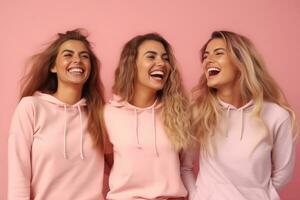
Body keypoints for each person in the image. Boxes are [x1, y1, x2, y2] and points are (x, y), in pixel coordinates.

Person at [181, 30, 297, 200]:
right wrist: (196, 196)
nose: (208, 61)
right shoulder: (199, 112)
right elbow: (185, 167)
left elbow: (283, 174)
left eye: (219, 53)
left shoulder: (277, 115)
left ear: (241, 61)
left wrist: (263, 195)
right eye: (205, 56)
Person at [8, 29, 107, 200]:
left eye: (84, 56)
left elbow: (125, 163)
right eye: (68, 55)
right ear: (53, 66)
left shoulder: (100, 114)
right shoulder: (31, 107)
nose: (77, 60)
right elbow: (19, 174)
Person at [104, 33, 190, 199]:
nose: (161, 63)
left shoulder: (178, 112)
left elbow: (184, 165)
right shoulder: (108, 113)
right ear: (132, 65)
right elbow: (109, 162)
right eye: (151, 56)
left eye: (165, 58)